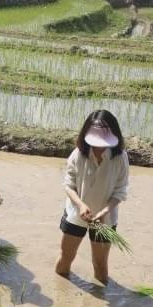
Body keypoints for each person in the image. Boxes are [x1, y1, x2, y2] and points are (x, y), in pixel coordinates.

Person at [55, 110, 129, 285]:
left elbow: (121, 190)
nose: (99, 146)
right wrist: (80, 205)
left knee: (101, 265)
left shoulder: (120, 157)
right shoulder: (78, 154)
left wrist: (104, 211)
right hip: (76, 215)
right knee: (65, 259)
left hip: (105, 219)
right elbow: (69, 185)